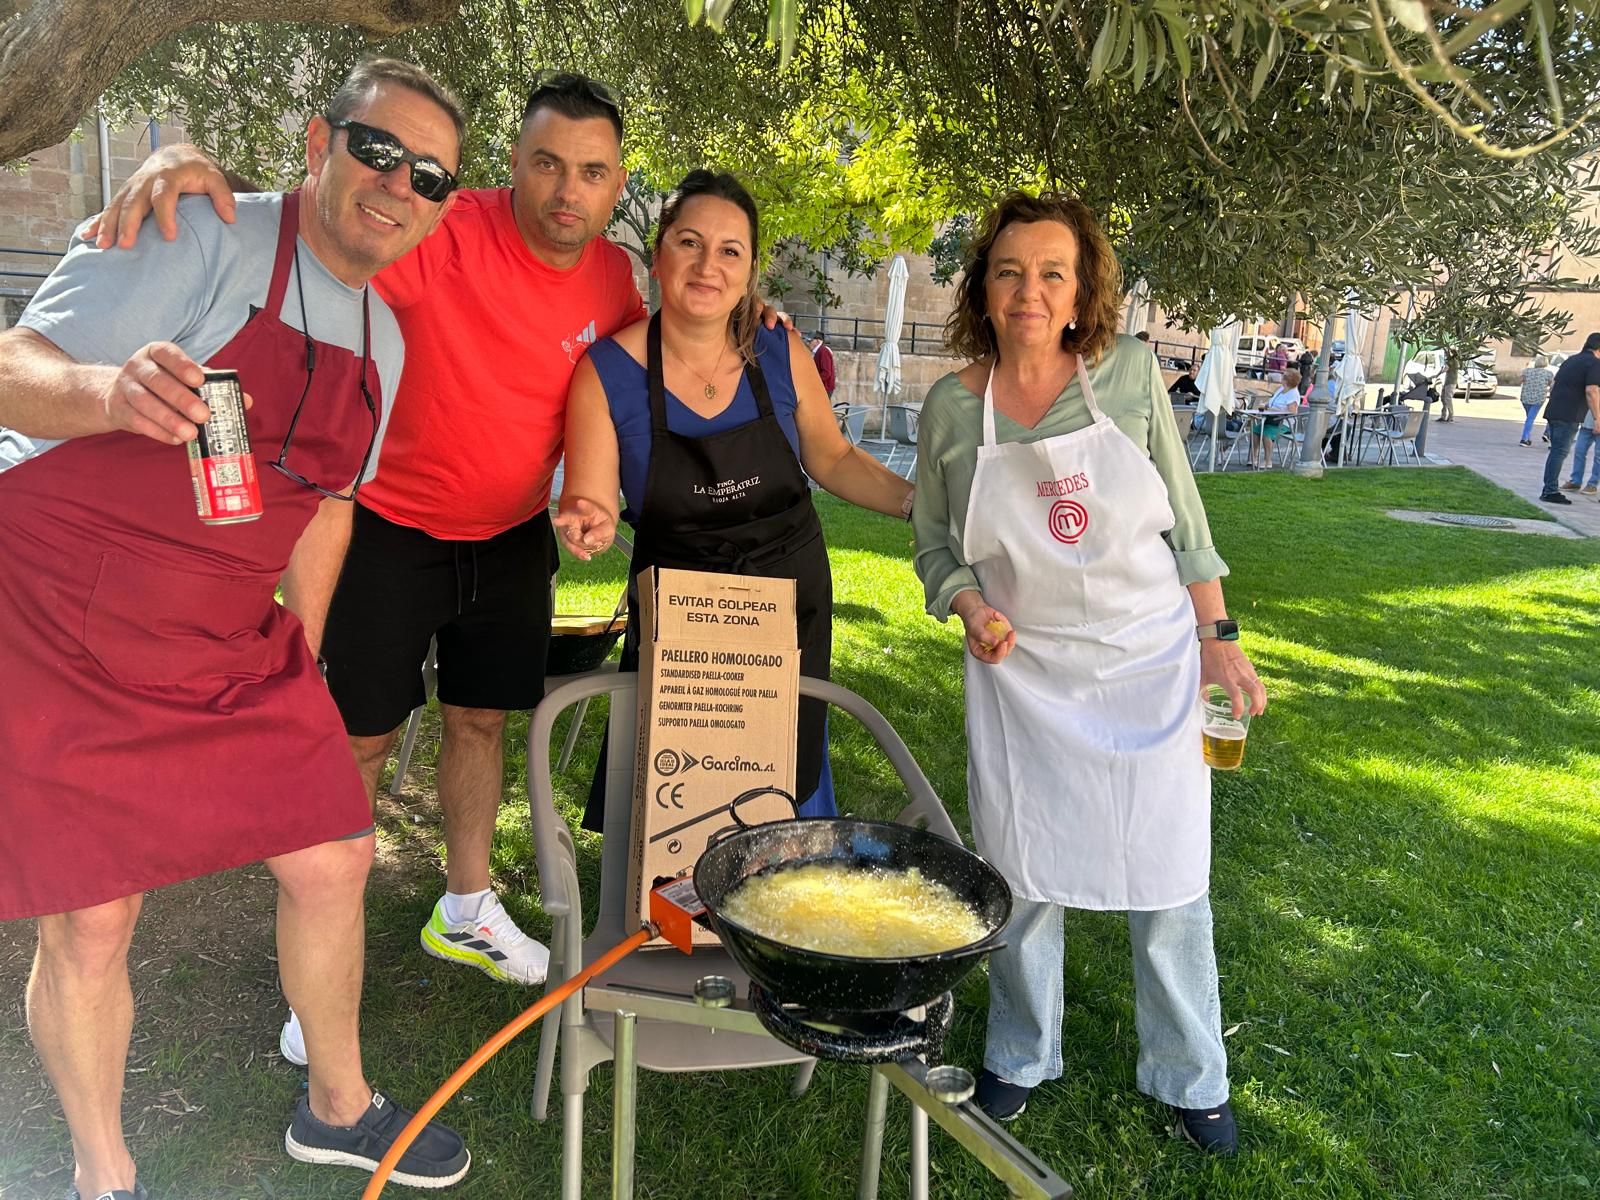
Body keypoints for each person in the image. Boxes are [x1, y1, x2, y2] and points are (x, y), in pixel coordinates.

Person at [0, 58, 474, 1196]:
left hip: (225, 630)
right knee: (95, 917)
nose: (397, 183)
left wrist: (299, 653)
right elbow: (13, 369)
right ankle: (102, 1173)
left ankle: (338, 1107)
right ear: (319, 142)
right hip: (62, 610)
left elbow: (325, 507)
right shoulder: (196, 227)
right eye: (376, 149)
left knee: (335, 852)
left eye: (431, 176)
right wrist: (110, 393)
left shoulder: (388, 343)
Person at [92, 74, 655, 1024]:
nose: (568, 190)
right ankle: (327, 932)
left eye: (592, 173)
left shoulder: (612, 279)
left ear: (616, 183)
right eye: (548, 163)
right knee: (358, 735)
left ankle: (467, 907)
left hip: (512, 533)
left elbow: (651, 355)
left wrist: (753, 315)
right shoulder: (445, 229)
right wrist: (185, 166)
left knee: (482, 720)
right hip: (384, 523)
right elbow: (323, 232)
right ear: (512, 165)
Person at [912, 191, 1266, 1154]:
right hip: (1023, 675)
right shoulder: (952, 408)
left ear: (1081, 293)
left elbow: (1185, 521)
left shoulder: (1129, 377)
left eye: (1052, 273)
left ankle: (1192, 1074)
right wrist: (970, 606)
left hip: (1147, 660)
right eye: (1009, 271)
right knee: (1022, 872)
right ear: (983, 289)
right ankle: (1020, 1056)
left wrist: (1217, 634)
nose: (1029, 290)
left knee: (1169, 874)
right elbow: (936, 547)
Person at [556, 171, 915, 828]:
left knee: (786, 788)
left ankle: (778, 919)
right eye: (689, 242)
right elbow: (588, 493)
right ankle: (674, 927)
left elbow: (833, 456)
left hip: (789, 603)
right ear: (660, 253)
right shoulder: (605, 372)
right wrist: (590, 522)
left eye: (730, 251)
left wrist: (920, 506)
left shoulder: (779, 348)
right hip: (681, 619)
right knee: (679, 805)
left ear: (751, 270)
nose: (707, 265)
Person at [1539, 332, 1600, 505]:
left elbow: (1554, 385)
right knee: (1560, 452)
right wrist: (1597, 418)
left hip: (1555, 411)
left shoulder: (1571, 360)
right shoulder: (1594, 364)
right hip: (1569, 414)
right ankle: (1550, 491)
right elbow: (1592, 391)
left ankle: (1549, 488)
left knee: (1556, 451)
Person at [1249, 368, 1301, 468]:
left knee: (1266, 433)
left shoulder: (1293, 394)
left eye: (1283, 376)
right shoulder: (1281, 389)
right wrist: (1265, 405)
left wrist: (1274, 410)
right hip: (1270, 419)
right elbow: (1271, 402)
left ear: (1287, 380)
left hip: (1284, 423)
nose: (1281, 377)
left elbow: (1292, 412)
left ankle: (1268, 461)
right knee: (1255, 431)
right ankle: (1254, 457)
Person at [1519, 353, 1555, 447]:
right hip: (1538, 399)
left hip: (1525, 397)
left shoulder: (1526, 371)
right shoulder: (1548, 373)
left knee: (1529, 417)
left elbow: (1520, 381)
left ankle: (1527, 437)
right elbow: (1551, 386)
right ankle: (1524, 438)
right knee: (1530, 418)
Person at [1563, 405, 1600, 495]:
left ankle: (1592, 484)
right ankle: (1575, 481)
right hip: (1586, 423)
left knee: (1598, 456)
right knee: (1579, 451)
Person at [809, 331, 837, 397]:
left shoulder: (823, 351)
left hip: (824, 388)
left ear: (817, 341)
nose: (808, 343)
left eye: (810, 341)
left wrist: (813, 381)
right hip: (822, 387)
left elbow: (826, 372)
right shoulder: (819, 351)